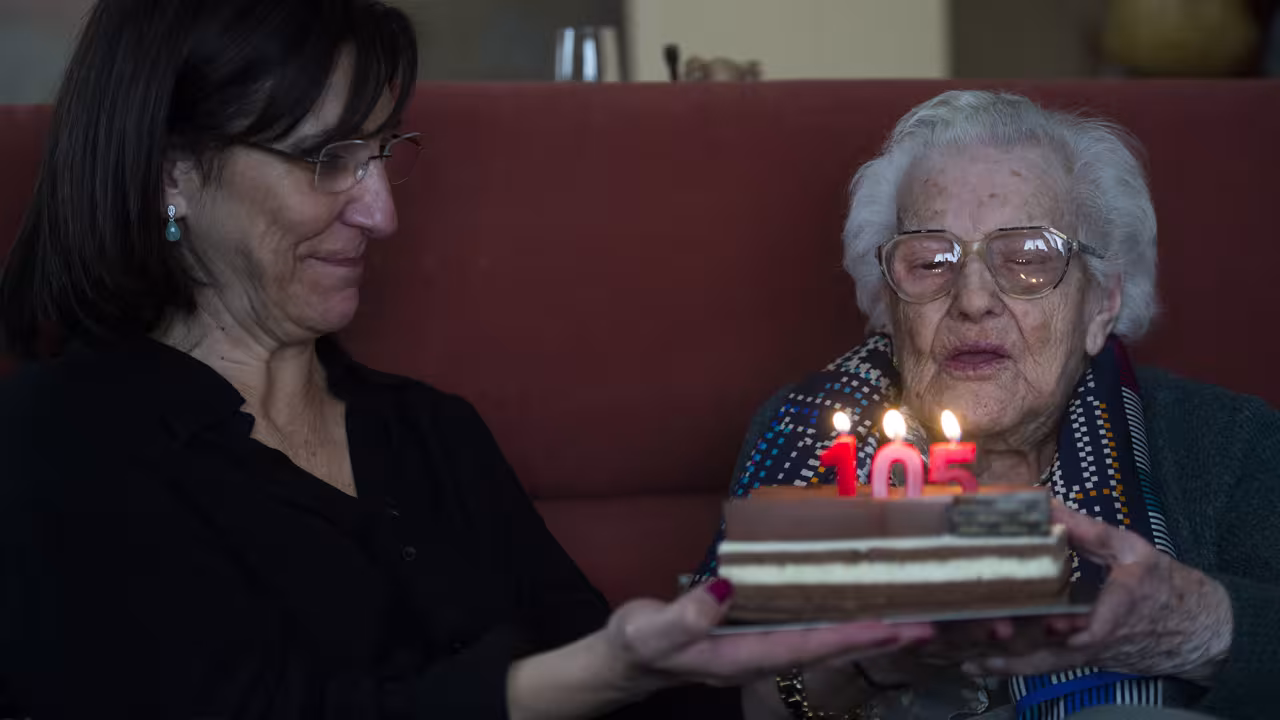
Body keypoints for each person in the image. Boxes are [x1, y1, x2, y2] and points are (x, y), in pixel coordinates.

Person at [0, 1, 935, 718]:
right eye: (328, 157)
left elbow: (640, 699)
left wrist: (857, 662)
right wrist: (568, 680)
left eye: (380, 151)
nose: (381, 213)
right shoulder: (63, 444)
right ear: (173, 169)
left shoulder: (427, 434)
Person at [699, 91, 1280, 719]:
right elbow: (725, 694)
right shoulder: (809, 436)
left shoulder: (1226, 442)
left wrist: (1192, 623)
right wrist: (864, 664)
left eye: (1028, 260)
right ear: (888, 304)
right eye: (930, 262)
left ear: (1101, 304)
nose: (973, 299)